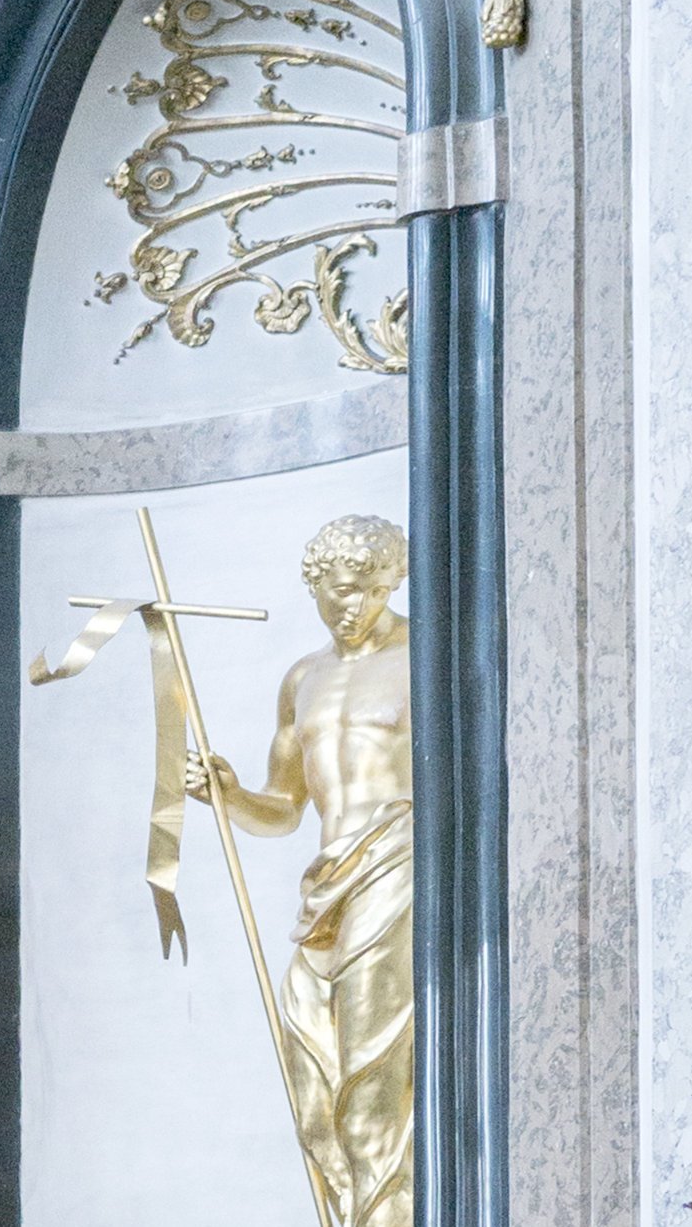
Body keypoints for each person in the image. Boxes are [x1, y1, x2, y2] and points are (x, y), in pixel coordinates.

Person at [190, 515, 418, 1227]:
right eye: (342, 591)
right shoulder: (303, 678)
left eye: (375, 591)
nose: (357, 606)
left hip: (399, 863)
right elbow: (285, 807)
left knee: (373, 1073)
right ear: (316, 585)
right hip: (327, 886)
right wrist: (229, 794)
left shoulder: (424, 658)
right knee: (315, 1074)